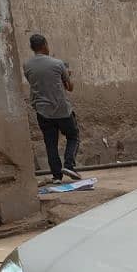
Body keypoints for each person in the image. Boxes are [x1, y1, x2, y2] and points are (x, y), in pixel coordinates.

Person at [23, 34, 81, 184]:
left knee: (50, 144)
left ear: (32, 48)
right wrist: (67, 76)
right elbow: (70, 87)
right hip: (61, 109)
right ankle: (69, 165)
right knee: (73, 136)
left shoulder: (27, 66)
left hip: (42, 111)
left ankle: (56, 176)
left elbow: (37, 85)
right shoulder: (58, 64)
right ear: (45, 45)